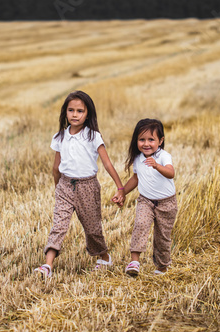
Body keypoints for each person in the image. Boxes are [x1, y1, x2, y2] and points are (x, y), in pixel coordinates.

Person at [34, 91, 125, 278]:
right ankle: (47, 265)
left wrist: (120, 187)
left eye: (80, 111)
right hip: (65, 186)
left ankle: (104, 257)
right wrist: (58, 187)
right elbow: (55, 167)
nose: (75, 114)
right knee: (58, 226)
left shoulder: (93, 136)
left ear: (88, 114)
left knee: (92, 229)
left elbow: (107, 163)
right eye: (71, 110)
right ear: (65, 112)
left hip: (87, 187)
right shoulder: (59, 137)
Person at [113, 118, 178, 277]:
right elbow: (136, 178)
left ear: (160, 141)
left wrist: (156, 165)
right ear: (136, 141)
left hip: (167, 203)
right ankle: (134, 262)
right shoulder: (138, 158)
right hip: (146, 201)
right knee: (140, 225)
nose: (146, 144)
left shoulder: (164, 156)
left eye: (151, 139)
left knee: (162, 237)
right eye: (142, 139)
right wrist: (122, 191)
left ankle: (162, 267)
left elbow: (171, 173)